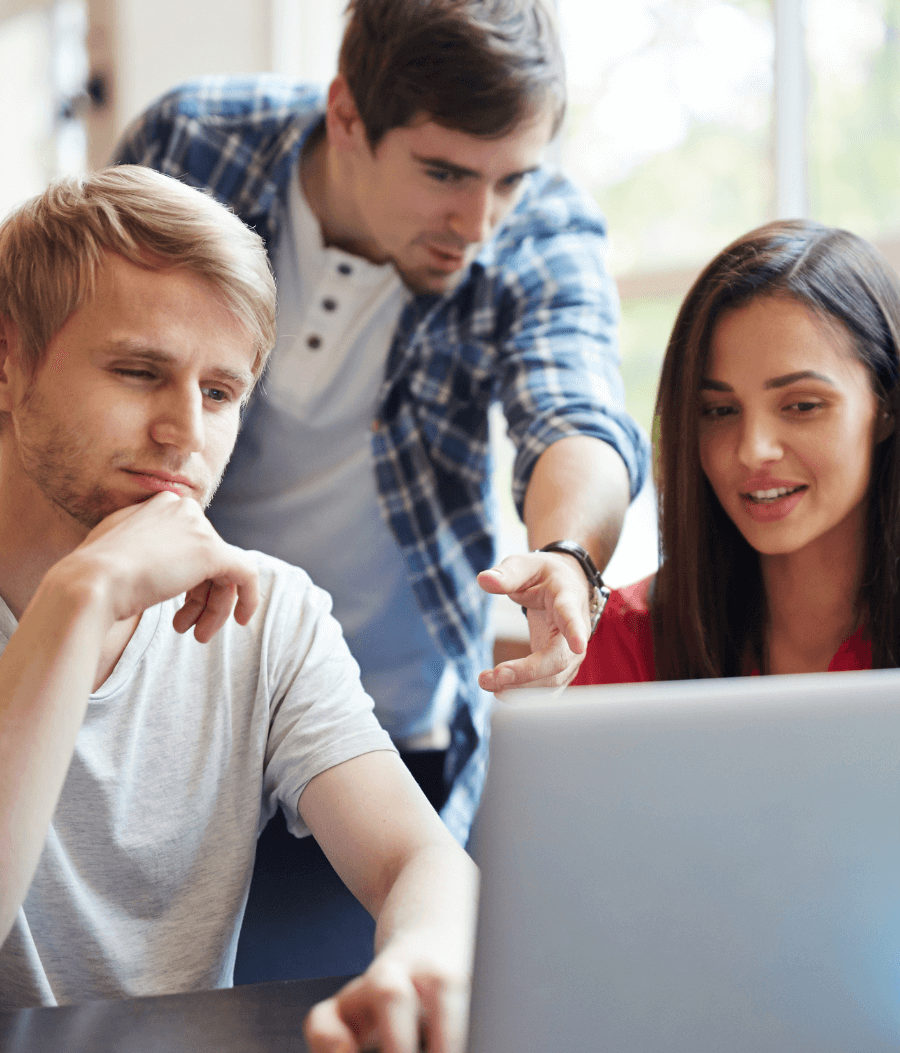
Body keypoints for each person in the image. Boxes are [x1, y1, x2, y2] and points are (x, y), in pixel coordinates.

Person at [112, 0, 650, 841]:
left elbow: (575, 409)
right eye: (443, 173)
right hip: (162, 709)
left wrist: (569, 554)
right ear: (348, 116)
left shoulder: (540, 227)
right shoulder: (190, 147)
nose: (479, 225)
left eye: (509, 179)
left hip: (383, 729)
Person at [0, 165, 478, 1053]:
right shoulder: (83, 592)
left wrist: (416, 960)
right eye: (140, 371)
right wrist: (83, 593)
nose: (186, 431)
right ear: (8, 359)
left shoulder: (273, 613)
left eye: (220, 393)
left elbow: (421, 860)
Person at [573, 219, 900, 686]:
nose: (752, 451)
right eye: (720, 411)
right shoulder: (628, 639)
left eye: (802, 405)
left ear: (886, 405)